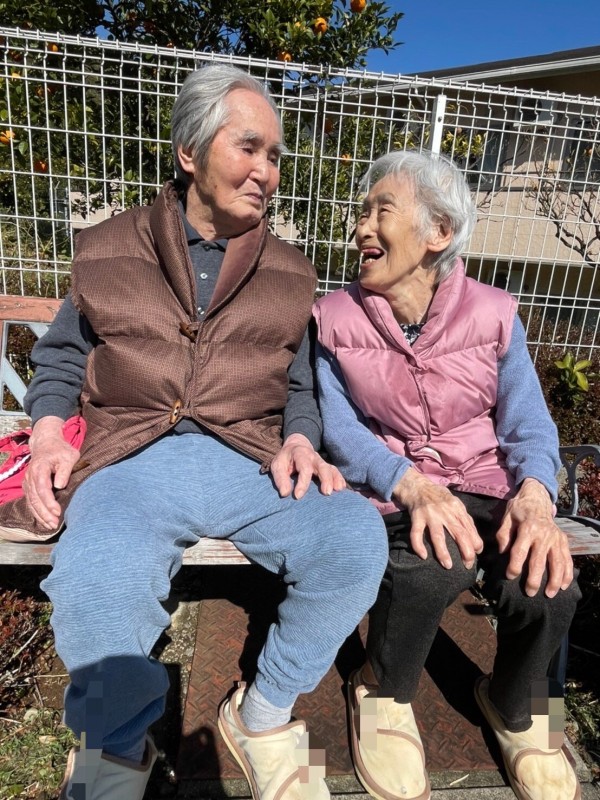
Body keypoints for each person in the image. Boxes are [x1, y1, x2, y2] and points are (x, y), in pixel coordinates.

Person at [0, 65, 389, 800]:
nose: (267, 171)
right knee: (98, 576)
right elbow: (61, 357)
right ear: (189, 153)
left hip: (252, 463)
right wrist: (50, 434)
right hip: (129, 460)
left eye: (275, 155)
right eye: (249, 147)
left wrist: (301, 440)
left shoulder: (291, 273)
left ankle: (262, 714)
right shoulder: (107, 247)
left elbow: (300, 386)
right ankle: (119, 747)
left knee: (353, 539)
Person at [313, 150, 582, 800]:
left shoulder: (494, 313)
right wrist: (410, 483)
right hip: (394, 487)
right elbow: (339, 429)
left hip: (487, 484)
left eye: (381, 211)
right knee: (432, 567)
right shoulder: (334, 318)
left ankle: (515, 707)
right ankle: (381, 690)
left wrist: (536, 496)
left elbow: (528, 421)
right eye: (360, 213)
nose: (361, 228)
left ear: (438, 232)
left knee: (551, 586)